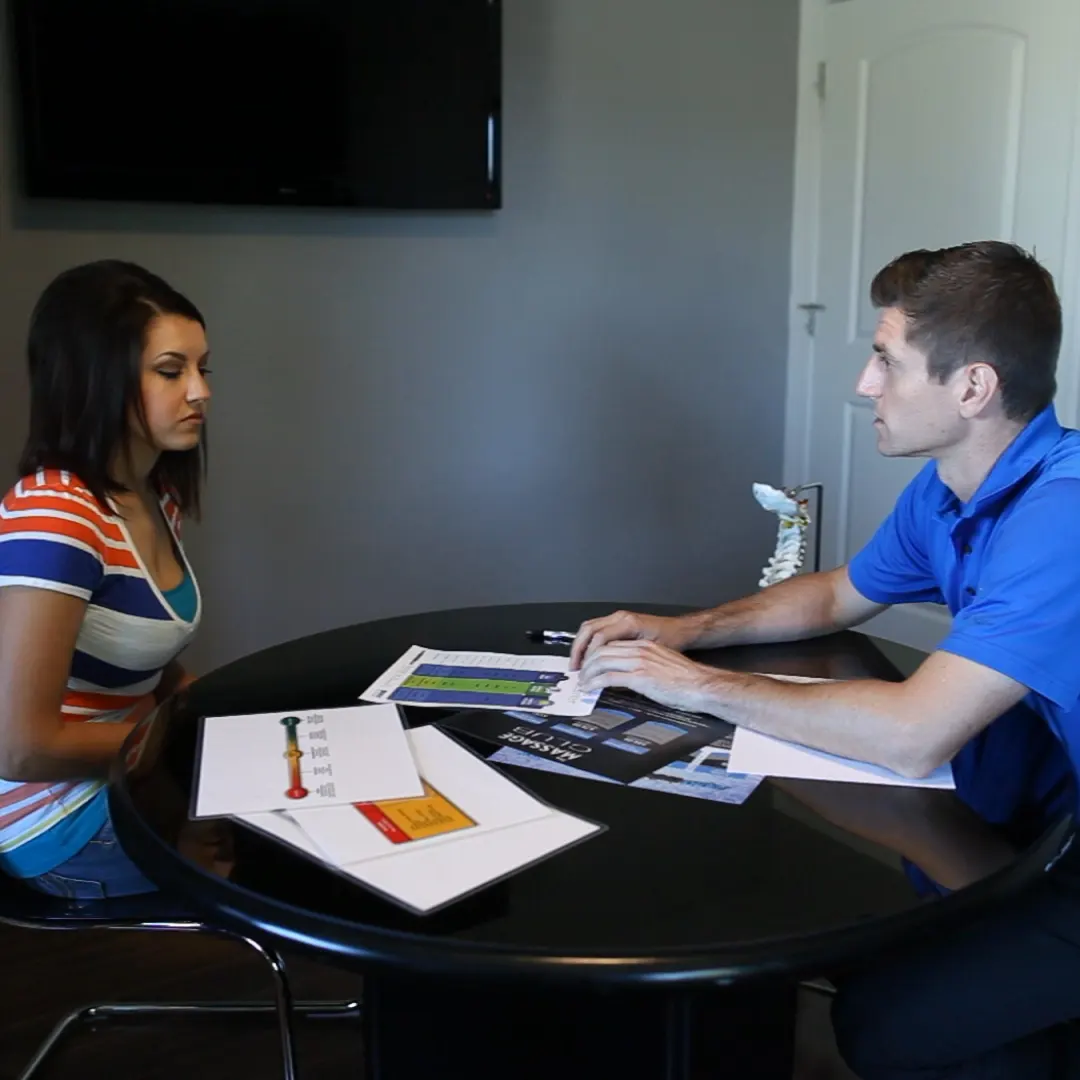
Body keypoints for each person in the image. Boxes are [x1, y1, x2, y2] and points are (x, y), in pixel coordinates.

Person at [570, 240, 1080, 1079]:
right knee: (883, 959)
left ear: (972, 388)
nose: (864, 384)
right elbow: (838, 594)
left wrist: (700, 687)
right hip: (1042, 804)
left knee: (886, 1026)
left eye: (887, 361)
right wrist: (683, 631)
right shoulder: (950, 486)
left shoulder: (1061, 514)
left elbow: (914, 735)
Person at [0, 260, 211, 899]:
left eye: (204, 369)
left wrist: (226, 709)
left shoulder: (153, 497)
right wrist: (176, 738)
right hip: (53, 818)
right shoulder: (55, 512)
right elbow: (20, 747)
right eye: (171, 371)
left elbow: (142, 659)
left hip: (128, 772)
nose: (200, 391)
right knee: (290, 861)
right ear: (97, 377)